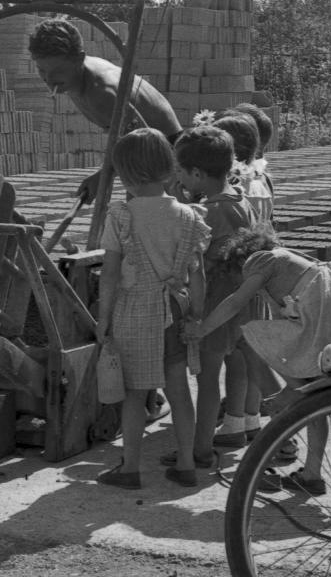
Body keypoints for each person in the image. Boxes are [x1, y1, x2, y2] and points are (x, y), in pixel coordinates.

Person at [191, 227, 331, 495]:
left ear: (241, 259)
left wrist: (201, 330)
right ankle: (312, 473)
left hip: (319, 314)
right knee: (313, 400)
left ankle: (289, 397)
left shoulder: (260, 260)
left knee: (252, 336)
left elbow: (235, 303)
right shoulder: (289, 261)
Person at [94, 129, 209, 489]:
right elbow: (198, 275)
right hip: (175, 309)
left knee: (134, 393)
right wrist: (196, 317)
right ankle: (187, 464)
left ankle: (130, 467)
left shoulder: (121, 216)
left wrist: (103, 320)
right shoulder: (189, 216)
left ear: (125, 176)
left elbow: (110, 274)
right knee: (178, 390)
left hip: (133, 311)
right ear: (170, 168)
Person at [168, 123, 254, 467]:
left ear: (198, 173)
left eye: (181, 172)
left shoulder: (206, 213)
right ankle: (237, 426)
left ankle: (201, 448)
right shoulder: (240, 198)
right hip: (244, 300)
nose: (178, 178)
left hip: (215, 303)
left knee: (206, 380)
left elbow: (195, 261)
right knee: (239, 365)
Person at [27, 19, 182, 203]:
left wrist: (103, 176)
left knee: (149, 217)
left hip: (164, 156)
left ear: (79, 59)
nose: (49, 79)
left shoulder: (102, 93)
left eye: (58, 70)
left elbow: (143, 147)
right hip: (147, 153)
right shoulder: (74, 75)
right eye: (41, 70)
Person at [209, 112, 276, 447]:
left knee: (235, 355)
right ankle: (251, 417)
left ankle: (234, 421)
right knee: (252, 353)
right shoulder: (263, 179)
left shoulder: (236, 188)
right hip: (260, 274)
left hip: (237, 280)